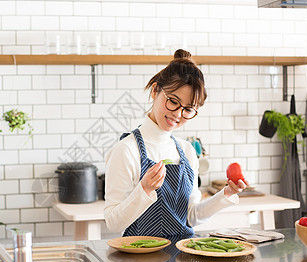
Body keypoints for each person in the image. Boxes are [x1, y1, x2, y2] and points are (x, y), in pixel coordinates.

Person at [104, 49, 247, 238]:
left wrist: (226, 194)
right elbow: (113, 223)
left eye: (188, 109)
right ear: (155, 91)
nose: (178, 114)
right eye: (173, 101)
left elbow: (192, 217)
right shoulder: (127, 150)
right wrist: (144, 190)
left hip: (184, 259)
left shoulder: (186, 151)